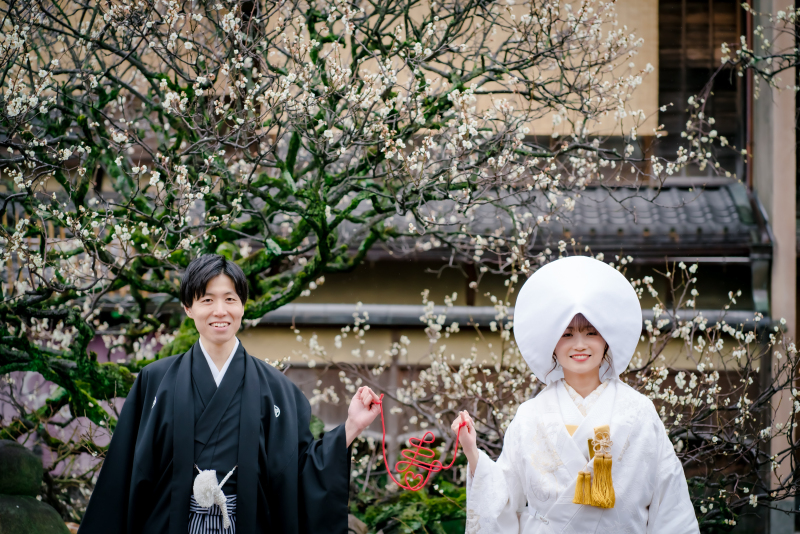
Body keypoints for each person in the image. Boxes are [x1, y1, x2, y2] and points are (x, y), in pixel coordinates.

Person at [79, 254, 381, 534]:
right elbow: (124, 471)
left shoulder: (277, 389)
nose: (220, 311)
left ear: (243, 306)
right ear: (188, 307)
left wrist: (352, 426)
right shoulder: (155, 381)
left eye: (230, 299)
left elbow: (300, 471)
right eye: (207, 300)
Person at [451, 256, 699, 533]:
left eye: (590, 332)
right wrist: (472, 453)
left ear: (606, 341)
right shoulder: (531, 416)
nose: (579, 345)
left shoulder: (638, 411)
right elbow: (506, 498)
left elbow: (669, 503)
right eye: (567, 334)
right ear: (552, 343)